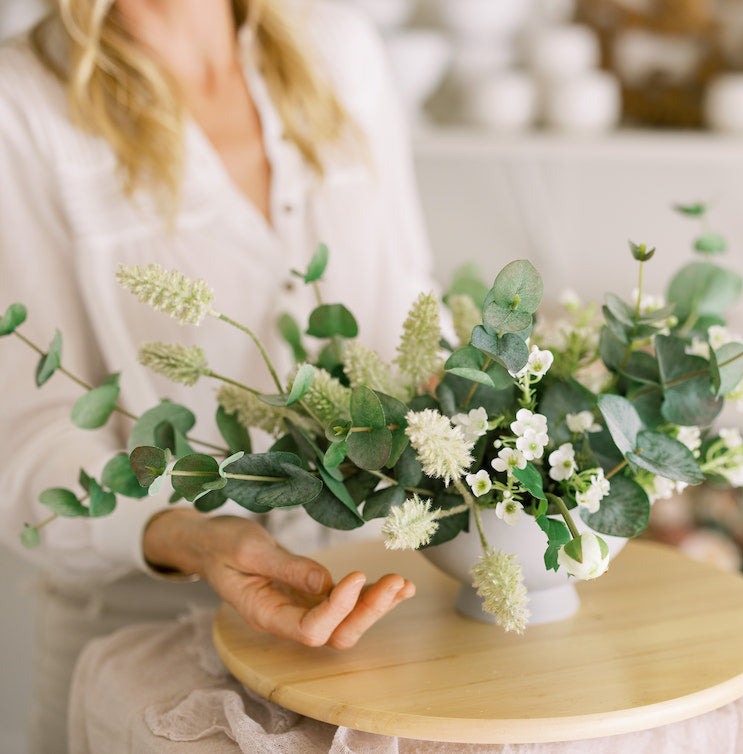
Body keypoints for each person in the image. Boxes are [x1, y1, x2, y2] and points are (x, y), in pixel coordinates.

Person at [0, 0, 435, 750]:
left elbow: (412, 318)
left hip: (389, 628)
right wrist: (195, 538)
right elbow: (28, 446)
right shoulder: (22, 106)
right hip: (148, 670)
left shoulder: (342, 51)